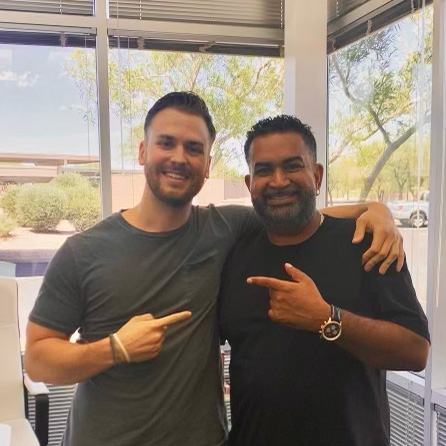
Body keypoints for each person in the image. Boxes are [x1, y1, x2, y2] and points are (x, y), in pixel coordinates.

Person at [25, 93, 404, 446]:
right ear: (142, 151)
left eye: (194, 148)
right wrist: (115, 349)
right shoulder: (83, 252)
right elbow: (40, 361)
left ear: (207, 165)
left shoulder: (225, 228)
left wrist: (374, 210)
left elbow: (295, 214)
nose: (179, 158)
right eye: (166, 143)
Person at [218, 115, 430, 446]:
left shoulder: (366, 243)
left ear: (316, 176)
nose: (278, 181)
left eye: (292, 166)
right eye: (264, 170)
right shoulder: (232, 255)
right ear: (249, 184)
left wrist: (325, 318)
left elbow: (415, 351)